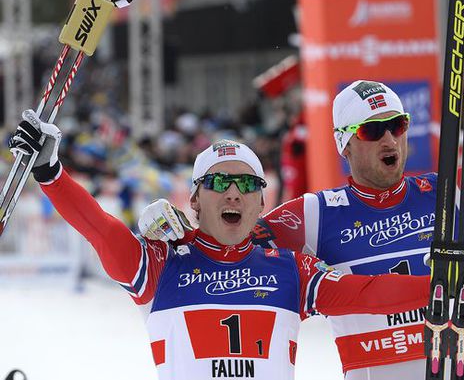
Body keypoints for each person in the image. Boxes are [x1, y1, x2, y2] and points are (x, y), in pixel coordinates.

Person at [139, 30, 464, 380]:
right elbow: (223, 243)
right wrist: (164, 225)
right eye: (373, 130)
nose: (390, 138)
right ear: (345, 144)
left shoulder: (447, 196)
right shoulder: (315, 214)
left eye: (397, 125)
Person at [9, 113, 441, 380]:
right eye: (219, 182)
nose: (234, 192)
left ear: (262, 202)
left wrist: (446, 284)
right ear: (195, 199)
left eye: (248, 184)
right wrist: (51, 172)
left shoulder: (292, 270)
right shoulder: (162, 264)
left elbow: (368, 293)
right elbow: (101, 230)